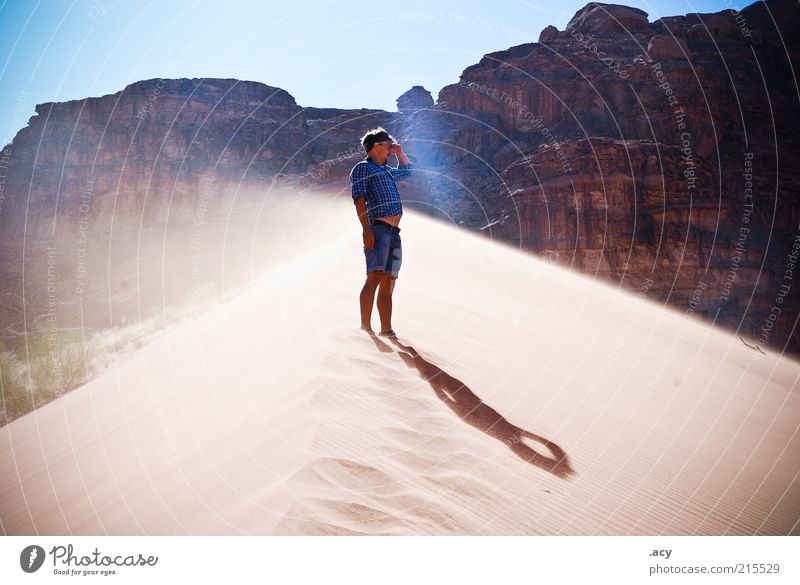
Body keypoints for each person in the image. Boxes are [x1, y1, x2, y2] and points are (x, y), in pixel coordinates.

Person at [350, 127, 413, 337]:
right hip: (378, 230)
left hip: (394, 233)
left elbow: (407, 170)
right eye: (388, 145)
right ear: (376, 146)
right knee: (374, 276)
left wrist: (399, 151)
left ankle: (386, 330)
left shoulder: (386, 171)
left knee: (389, 281)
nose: (390, 149)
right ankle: (365, 329)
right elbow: (359, 200)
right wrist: (366, 229)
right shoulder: (362, 168)